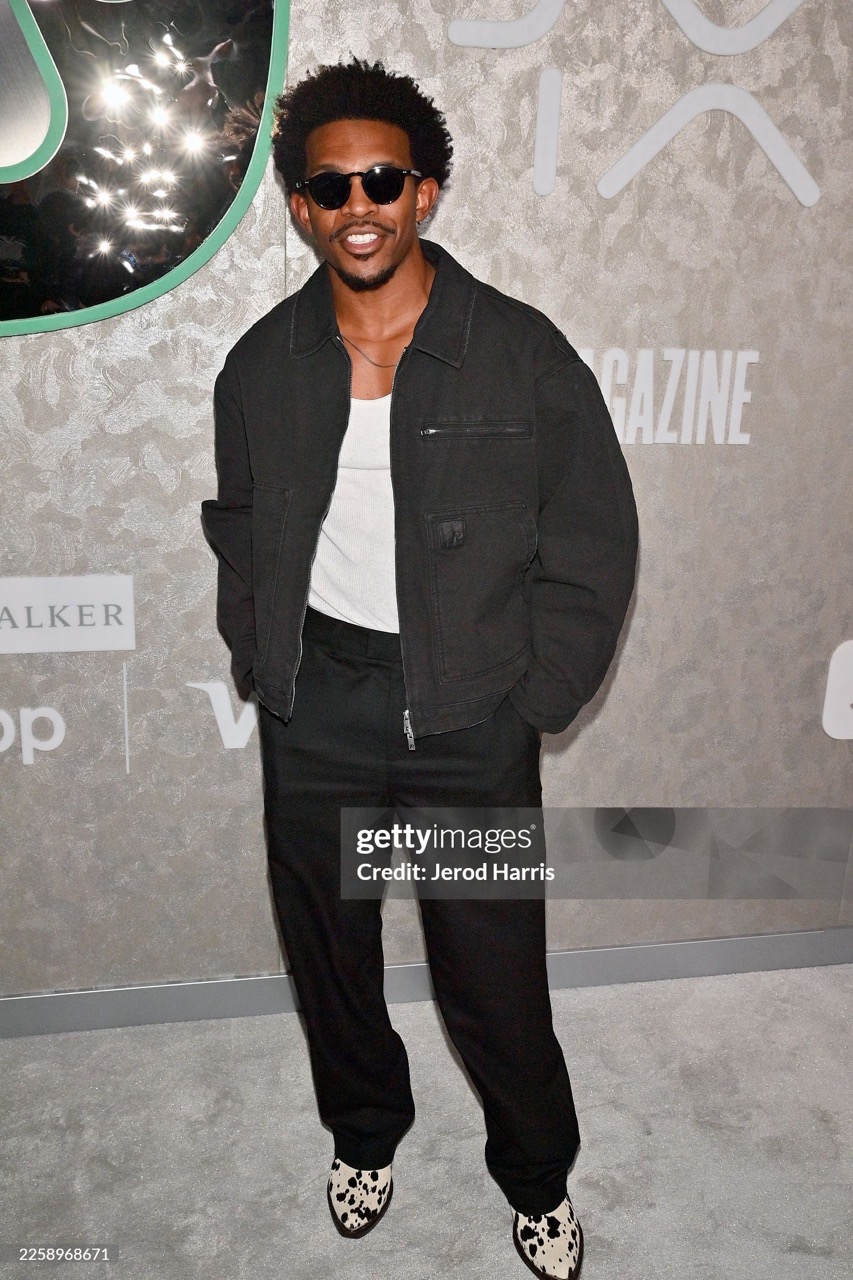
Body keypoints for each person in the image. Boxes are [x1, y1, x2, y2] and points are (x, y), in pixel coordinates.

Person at [201, 58, 638, 1280]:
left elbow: (594, 536)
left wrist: (532, 698)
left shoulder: (520, 353)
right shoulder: (261, 365)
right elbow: (241, 526)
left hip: (468, 708)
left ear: (425, 192)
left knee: (491, 969)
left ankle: (536, 1176)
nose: (359, 206)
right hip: (319, 704)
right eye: (330, 186)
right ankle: (364, 1131)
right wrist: (261, 656)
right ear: (301, 205)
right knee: (330, 953)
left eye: (382, 180)